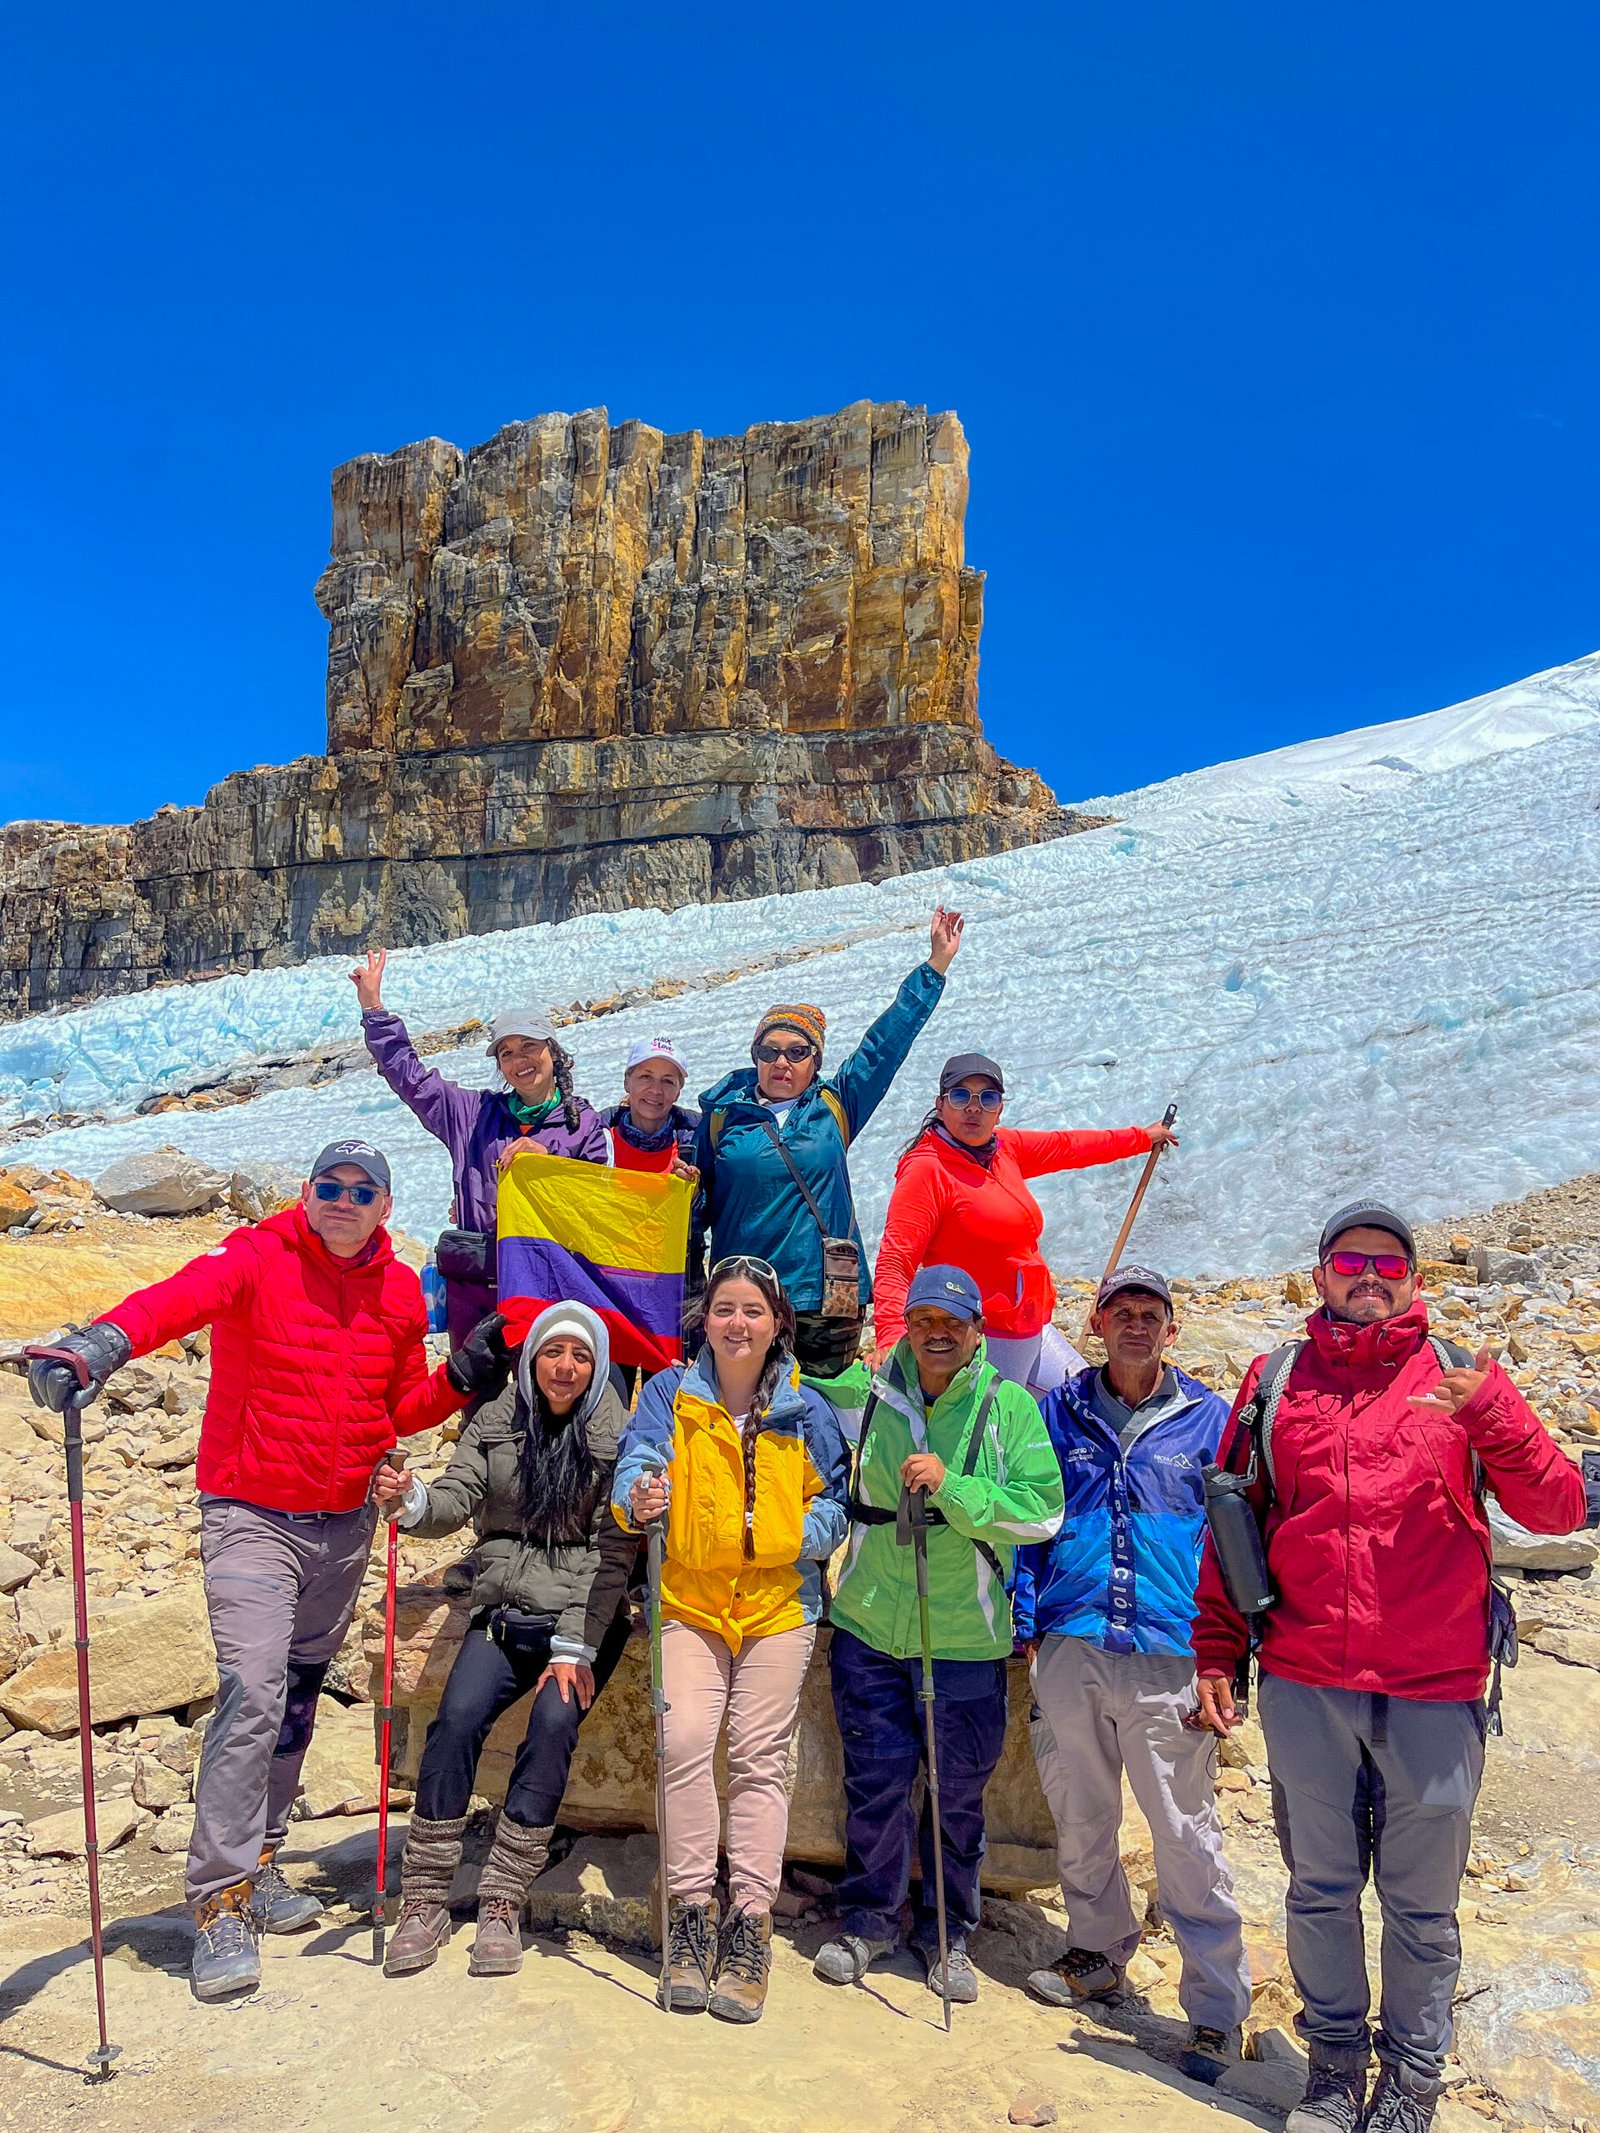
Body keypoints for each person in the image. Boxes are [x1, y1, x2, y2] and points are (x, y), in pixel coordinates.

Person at [27, 1140, 508, 2002]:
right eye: (331, 1185)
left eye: (363, 1191)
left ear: (385, 1207)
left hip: (345, 1519)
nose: (343, 1200)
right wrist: (100, 1345)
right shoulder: (258, 1255)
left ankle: (265, 1859)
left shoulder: (398, 1288)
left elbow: (396, 1405)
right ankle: (218, 1898)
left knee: (295, 1692)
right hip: (251, 1511)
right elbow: (176, 1302)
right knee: (251, 1687)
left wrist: (458, 1378)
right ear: (306, 1191)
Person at [1192, 1199, 1586, 2133]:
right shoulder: (1277, 1378)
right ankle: (1333, 2069)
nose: (1369, 1275)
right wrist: (1217, 1650)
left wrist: (1493, 1415)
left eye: (1389, 1264)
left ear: (1415, 1279)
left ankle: (1411, 2081)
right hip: (1305, 1679)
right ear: (1320, 1271)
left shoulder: (1461, 1375)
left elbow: (1562, 1505)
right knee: (1319, 1887)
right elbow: (1233, 1522)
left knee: (1421, 1905)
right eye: (1349, 1260)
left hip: (1435, 1685)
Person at [1012, 1265, 1250, 2084]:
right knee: (1081, 1811)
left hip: (1170, 1650)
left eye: (1152, 1314)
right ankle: (1096, 1952)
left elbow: (1234, 1532)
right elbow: (1027, 1520)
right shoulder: (1056, 1410)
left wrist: (1231, 1650)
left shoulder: (1210, 1420)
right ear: (1098, 1324)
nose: (1137, 1326)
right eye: (1123, 1313)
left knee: (1184, 1831)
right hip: (1072, 1637)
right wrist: (1026, 1620)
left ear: (1172, 1330)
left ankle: (1214, 2010)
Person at [813, 1265, 1064, 2005]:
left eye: (952, 1321)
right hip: (867, 1627)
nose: (938, 1332)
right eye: (924, 1318)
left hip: (963, 1636)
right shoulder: (867, 1392)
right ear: (907, 1325)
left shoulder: (1007, 1406)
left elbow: (1042, 1511)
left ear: (977, 1330)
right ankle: (868, 1920)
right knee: (877, 1782)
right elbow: (782, 1392)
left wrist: (952, 1488)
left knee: (957, 1795)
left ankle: (949, 1932)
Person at [612, 1256, 849, 2023]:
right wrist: (638, 1498)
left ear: (777, 1321)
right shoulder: (666, 1395)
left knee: (756, 1757)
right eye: (724, 1309)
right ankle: (688, 1915)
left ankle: (749, 1919)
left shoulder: (805, 1409)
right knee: (682, 1743)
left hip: (779, 1606)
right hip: (689, 1599)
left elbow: (839, 1506)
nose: (738, 1323)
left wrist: (779, 1538)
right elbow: (634, 1474)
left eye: (753, 1309)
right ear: (704, 1318)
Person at [376, 1301, 637, 1980]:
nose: (566, 1367)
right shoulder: (497, 1420)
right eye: (554, 1351)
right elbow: (455, 1496)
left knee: (552, 1723)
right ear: (532, 1358)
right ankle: (426, 1896)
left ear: (597, 1364)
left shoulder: (615, 1435)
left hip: (581, 1624)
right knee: (455, 1719)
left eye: (581, 1356)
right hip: (503, 1609)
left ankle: (502, 1897)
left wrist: (573, 1647)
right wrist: (411, 1501)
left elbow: (612, 1555)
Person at [695, 908, 964, 1379]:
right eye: (768, 1051)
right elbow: (695, 1205)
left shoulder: (835, 1106)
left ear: (815, 1060)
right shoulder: (721, 1117)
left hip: (825, 1299)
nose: (781, 1062)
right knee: (743, 1417)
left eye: (796, 1052)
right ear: (755, 1057)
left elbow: (884, 1045)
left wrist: (934, 966)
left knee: (823, 1420)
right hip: (743, 1298)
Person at [874, 1052, 1178, 1397]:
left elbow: (1069, 1147)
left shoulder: (1004, 1149)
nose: (974, 1108)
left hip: (1034, 1327)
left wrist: (1141, 1138)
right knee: (1006, 1437)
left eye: (987, 1098)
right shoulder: (926, 1170)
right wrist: (890, 1337)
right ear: (941, 1105)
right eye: (960, 1096)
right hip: (986, 1339)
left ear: (999, 1109)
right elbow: (896, 1262)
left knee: (1085, 1410)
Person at [352, 947, 607, 1345]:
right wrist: (375, 1011)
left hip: (550, 1281)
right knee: (479, 1397)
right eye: (507, 1053)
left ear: (553, 1053)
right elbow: (411, 1078)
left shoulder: (585, 1124)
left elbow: (597, 1203)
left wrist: (550, 1164)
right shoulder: (471, 1114)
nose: (519, 1060)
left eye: (529, 1047)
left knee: (546, 1395)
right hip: (477, 1283)